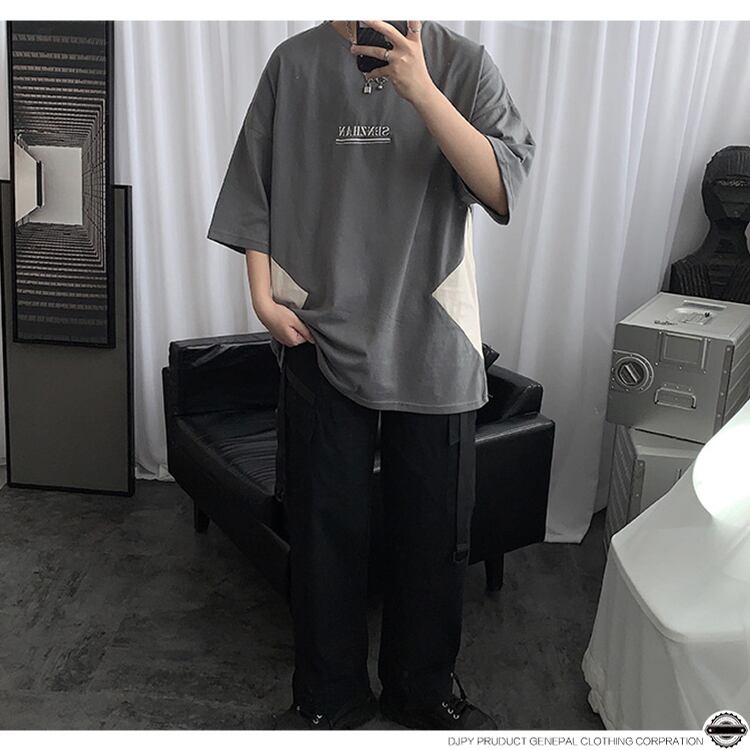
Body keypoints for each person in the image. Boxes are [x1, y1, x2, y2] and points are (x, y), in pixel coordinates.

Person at [207, 19, 535, 730]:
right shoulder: (293, 65)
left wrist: (421, 91)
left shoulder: (463, 63)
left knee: (434, 534)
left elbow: (503, 187)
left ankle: (422, 690)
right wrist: (262, 297)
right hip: (318, 332)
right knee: (323, 531)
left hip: (433, 335)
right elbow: (253, 186)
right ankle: (327, 696)